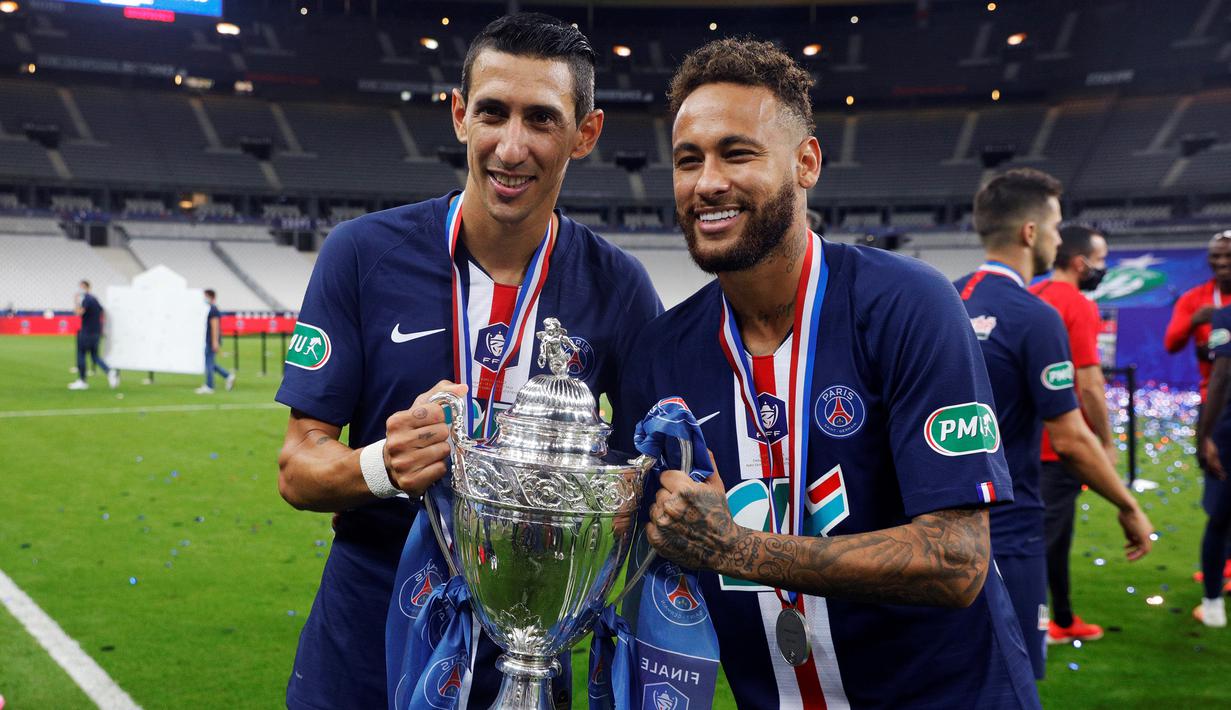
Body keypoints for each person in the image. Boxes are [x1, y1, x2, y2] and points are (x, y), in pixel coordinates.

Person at [617, 37, 1039, 708]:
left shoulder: (908, 304)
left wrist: (738, 549)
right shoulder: (661, 352)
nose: (706, 183)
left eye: (737, 153)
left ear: (805, 162)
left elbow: (958, 559)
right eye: (687, 161)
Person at [274, 13, 661, 709]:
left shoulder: (618, 288)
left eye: (541, 119)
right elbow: (299, 467)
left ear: (585, 134)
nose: (510, 147)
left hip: (530, 641)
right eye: (492, 112)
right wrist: (381, 466)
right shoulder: (361, 255)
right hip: (365, 635)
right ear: (459, 116)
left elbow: (649, 480)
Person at [956, 175, 1153, 677]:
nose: (1059, 239)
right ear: (1029, 232)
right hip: (1009, 530)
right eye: (1055, 226)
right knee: (1014, 683)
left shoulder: (940, 300)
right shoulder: (1034, 316)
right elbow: (1068, 438)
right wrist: (1128, 505)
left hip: (932, 537)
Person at [1028, 225, 1123, 644]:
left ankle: (1061, 618)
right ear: (1081, 262)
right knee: (1048, 542)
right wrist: (1105, 441)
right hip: (1058, 447)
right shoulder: (1079, 305)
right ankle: (1043, 624)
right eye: (1100, 259)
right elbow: (1090, 385)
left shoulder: (1033, 296)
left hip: (1026, 442)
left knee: (1049, 538)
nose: (1102, 268)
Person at [1197, 306, 1231, 627]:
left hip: (1227, 431)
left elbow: (1222, 375)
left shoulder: (1225, 315)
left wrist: (1206, 435)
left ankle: (1212, 600)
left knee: (1220, 518)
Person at [68, 279, 118, 390]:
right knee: (95, 356)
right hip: (96, 332)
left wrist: (76, 301)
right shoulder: (95, 299)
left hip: (86, 332)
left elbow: (78, 312)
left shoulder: (86, 299)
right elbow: (102, 311)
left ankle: (82, 381)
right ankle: (110, 371)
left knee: (81, 355)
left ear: (85, 287)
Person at [196, 289, 235, 394]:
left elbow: (215, 327)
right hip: (210, 339)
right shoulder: (210, 309)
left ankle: (209, 386)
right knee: (210, 362)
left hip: (211, 340)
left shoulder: (213, 310)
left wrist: (214, 342)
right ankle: (228, 376)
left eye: (205, 296)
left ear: (210, 297)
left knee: (208, 363)